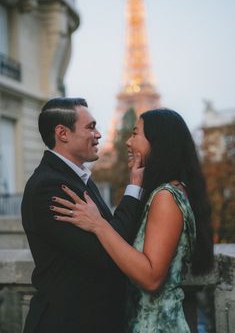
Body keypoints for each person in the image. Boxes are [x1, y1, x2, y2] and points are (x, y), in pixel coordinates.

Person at [52, 108, 214, 333]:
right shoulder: (172, 191)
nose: (128, 142)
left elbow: (151, 278)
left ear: (158, 142)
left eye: (135, 134)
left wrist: (98, 225)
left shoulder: (165, 197)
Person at [21, 97, 144, 333]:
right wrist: (134, 187)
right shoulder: (51, 187)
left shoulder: (72, 178)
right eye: (90, 127)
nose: (98, 134)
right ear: (62, 133)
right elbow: (110, 252)